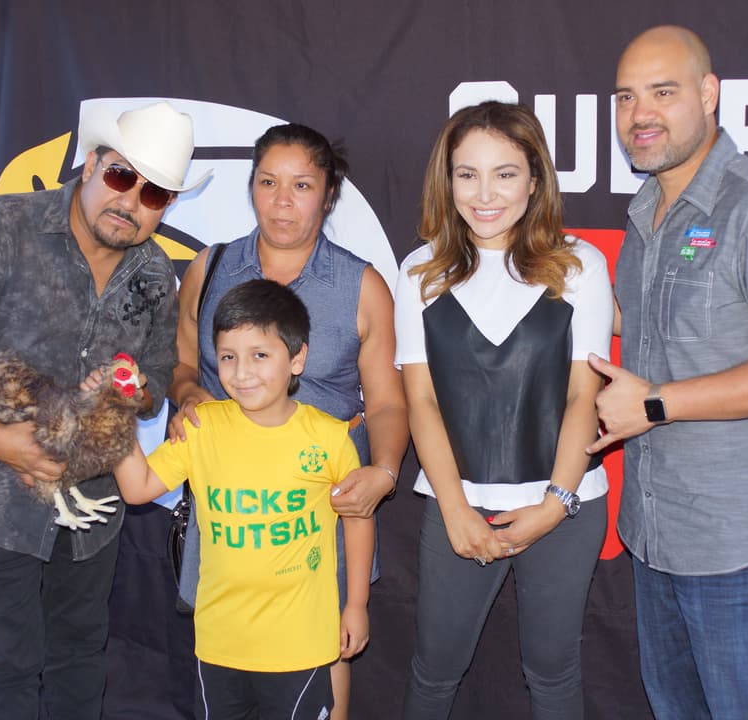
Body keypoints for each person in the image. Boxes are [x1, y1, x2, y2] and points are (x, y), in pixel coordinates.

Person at [0, 99, 204, 719]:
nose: (131, 202)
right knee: (9, 669)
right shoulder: (0, 227)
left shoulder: (154, 271)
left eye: (153, 194)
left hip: (94, 501)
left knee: (79, 655)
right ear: (91, 165)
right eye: (121, 176)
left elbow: (155, 375)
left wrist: (126, 389)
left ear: (168, 205)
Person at [588, 26, 748, 719]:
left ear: (708, 94)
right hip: (659, 530)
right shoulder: (648, 212)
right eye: (626, 97)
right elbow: (648, 326)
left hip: (746, 543)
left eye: (662, 92)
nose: (640, 114)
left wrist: (656, 403)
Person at [157, 122, 408, 719]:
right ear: (251, 187)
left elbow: (389, 402)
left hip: (318, 503)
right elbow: (181, 363)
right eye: (268, 182)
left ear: (328, 194)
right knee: (228, 649)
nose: (282, 201)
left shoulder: (362, 286)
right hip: (232, 507)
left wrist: (384, 471)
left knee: (326, 646)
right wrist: (188, 394)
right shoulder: (212, 268)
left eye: (301, 185)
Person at [394, 100, 612, 719]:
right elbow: (421, 400)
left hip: (564, 507)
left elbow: (583, 395)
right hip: (457, 507)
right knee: (434, 672)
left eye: (505, 173)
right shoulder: (419, 271)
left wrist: (555, 505)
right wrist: (456, 510)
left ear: (535, 179)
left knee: (554, 673)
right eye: (467, 174)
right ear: (447, 180)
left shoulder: (579, 265)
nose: (484, 194)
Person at [113, 278, 375, 719]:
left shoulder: (330, 438)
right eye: (228, 357)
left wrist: (355, 606)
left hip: (301, 645)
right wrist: (116, 411)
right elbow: (136, 487)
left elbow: (358, 519)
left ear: (297, 359)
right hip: (219, 644)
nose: (242, 372)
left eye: (260, 355)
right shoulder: (201, 428)